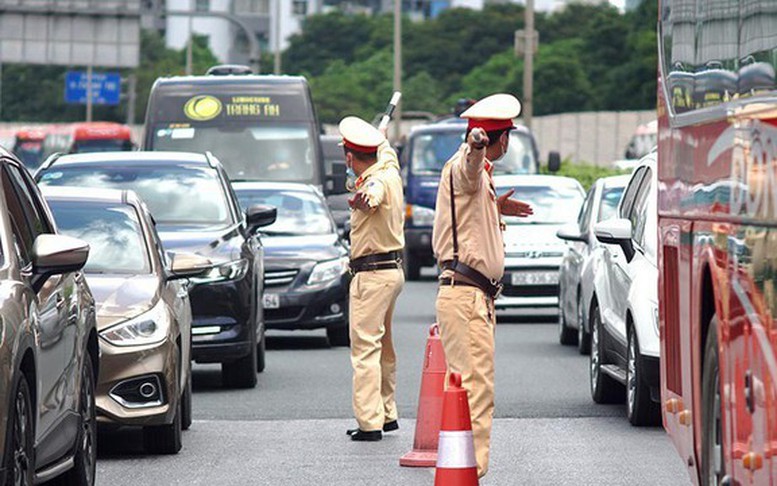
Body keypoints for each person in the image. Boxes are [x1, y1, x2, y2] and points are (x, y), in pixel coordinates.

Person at [431, 93, 533, 477]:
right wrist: (476, 145)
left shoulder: (482, 181)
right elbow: (468, 169)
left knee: (466, 386)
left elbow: (471, 194)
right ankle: (468, 473)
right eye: (506, 136)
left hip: (472, 297)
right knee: (475, 389)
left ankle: (463, 469)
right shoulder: (467, 164)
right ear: (500, 139)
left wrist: (496, 206)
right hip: (466, 296)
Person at [339, 116, 405, 442]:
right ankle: (387, 412)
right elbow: (387, 152)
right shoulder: (389, 169)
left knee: (365, 350)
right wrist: (381, 137)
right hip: (392, 272)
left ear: (350, 158)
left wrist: (362, 199)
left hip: (372, 274)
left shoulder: (374, 182)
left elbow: (371, 195)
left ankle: (369, 423)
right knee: (384, 347)